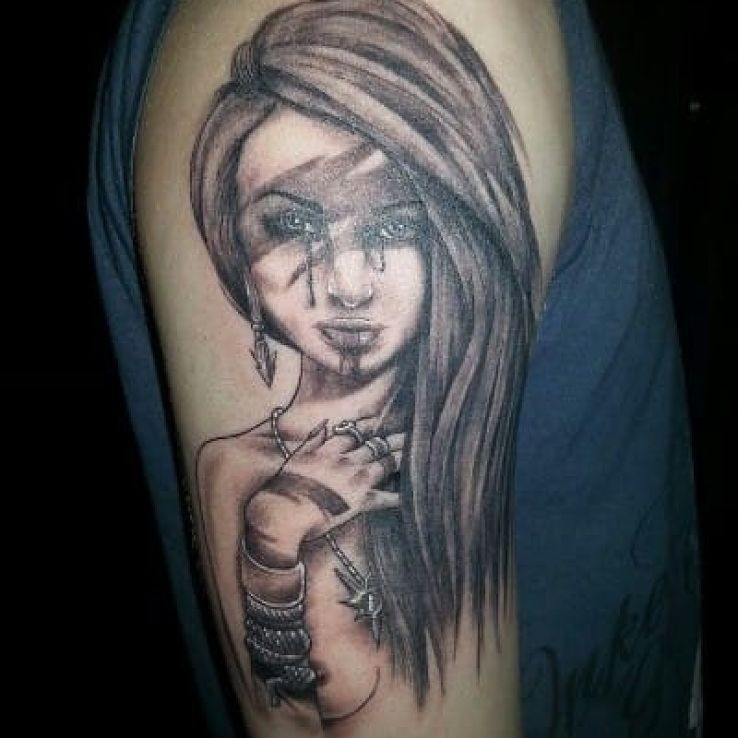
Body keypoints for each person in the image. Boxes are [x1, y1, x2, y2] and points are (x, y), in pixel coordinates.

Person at [89, 0, 701, 736]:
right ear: (230, 236)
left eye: (392, 226)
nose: (347, 285)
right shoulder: (246, 475)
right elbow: (297, 711)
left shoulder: (457, 414)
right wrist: (271, 556)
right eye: (293, 224)